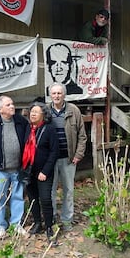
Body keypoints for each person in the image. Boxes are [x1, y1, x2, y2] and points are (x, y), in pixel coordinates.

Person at [0, 95, 28, 237]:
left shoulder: (20, 121)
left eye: (12, 103)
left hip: (17, 168)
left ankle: (16, 224)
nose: (12, 106)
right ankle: (0, 225)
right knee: (0, 197)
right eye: (8, 105)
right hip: (0, 169)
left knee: (18, 196)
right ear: (0, 109)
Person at [48, 83, 87, 232]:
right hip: (51, 160)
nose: (56, 96)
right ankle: (51, 219)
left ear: (64, 95)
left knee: (68, 190)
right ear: (50, 95)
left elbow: (82, 136)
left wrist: (78, 155)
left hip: (68, 159)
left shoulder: (74, 110)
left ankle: (67, 220)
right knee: (50, 190)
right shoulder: (46, 111)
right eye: (54, 93)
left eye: (59, 93)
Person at [22, 102, 59, 243]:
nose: (33, 114)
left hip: (44, 172)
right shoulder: (28, 128)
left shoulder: (49, 129)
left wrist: (45, 171)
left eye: (36, 112)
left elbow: (54, 152)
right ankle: (37, 223)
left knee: (45, 199)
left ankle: (49, 227)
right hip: (29, 170)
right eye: (31, 111)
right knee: (32, 199)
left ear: (44, 114)